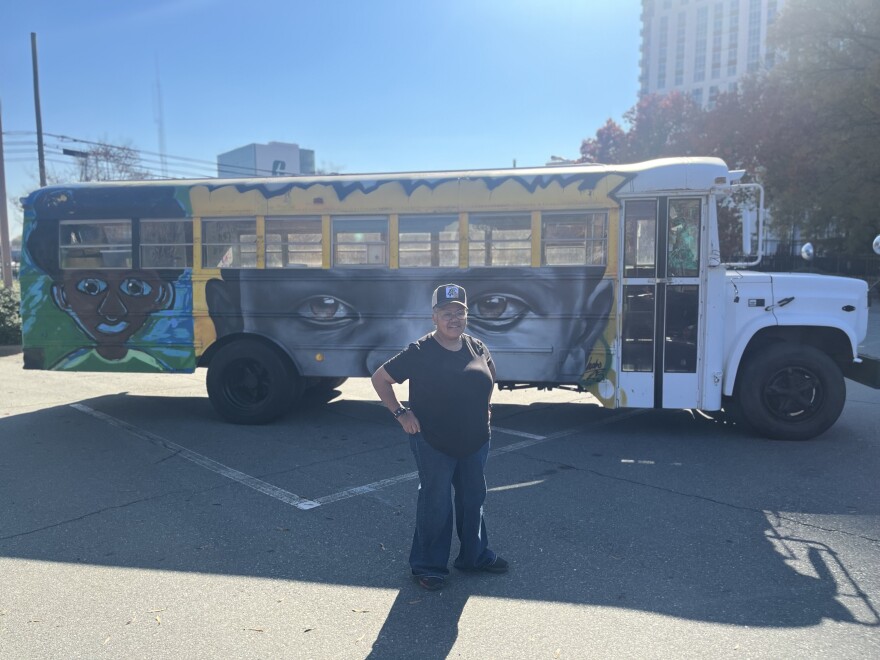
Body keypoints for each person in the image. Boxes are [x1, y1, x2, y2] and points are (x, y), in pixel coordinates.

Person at [371, 283, 508, 591]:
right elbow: (380, 378)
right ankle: (429, 565)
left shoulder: (476, 346)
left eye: (459, 312)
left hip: (475, 441)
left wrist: (485, 406)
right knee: (436, 504)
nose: (453, 319)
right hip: (432, 441)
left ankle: (474, 556)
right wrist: (401, 414)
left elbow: (488, 375)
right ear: (434, 317)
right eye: (447, 313)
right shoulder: (420, 351)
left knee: (473, 501)